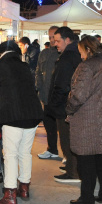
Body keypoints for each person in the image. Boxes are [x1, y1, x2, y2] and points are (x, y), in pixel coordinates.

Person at [0, 40, 43, 204]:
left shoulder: (0, 65)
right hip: (33, 114)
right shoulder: (23, 65)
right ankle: (24, 188)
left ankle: (10, 194)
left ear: (0, 54)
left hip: (13, 115)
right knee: (25, 153)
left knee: (10, 155)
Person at [67, 35, 102, 204]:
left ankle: (87, 198)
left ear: (88, 50)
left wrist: (69, 109)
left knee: (86, 162)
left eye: (81, 51)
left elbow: (78, 95)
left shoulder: (86, 66)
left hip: (87, 120)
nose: (80, 55)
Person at [46, 26, 81, 184]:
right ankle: (72, 168)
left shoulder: (68, 57)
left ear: (68, 40)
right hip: (71, 105)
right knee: (70, 139)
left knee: (68, 140)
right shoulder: (74, 53)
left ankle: (74, 172)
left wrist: (53, 105)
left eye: (58, 40)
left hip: (65, 106)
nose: (55, 44)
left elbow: (62, 84)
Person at [35, 26, 61, 159]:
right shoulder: (44, 53)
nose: (51, 40)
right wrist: (39, 88)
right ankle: (52, 149)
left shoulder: (62, 53)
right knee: (49, 125)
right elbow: (38, 72)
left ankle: (68, 155)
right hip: (45, 96)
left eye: (54, 37)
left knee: (62, 127)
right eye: (50, 37)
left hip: (60, 96)